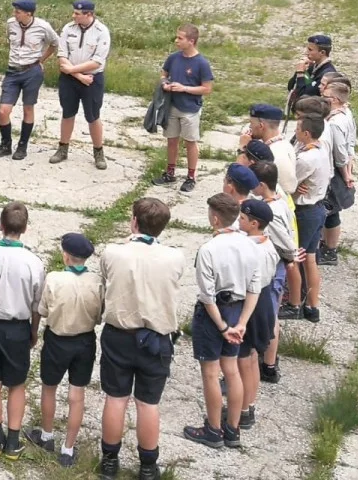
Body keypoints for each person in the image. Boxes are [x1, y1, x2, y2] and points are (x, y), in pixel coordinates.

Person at [98, 198, 185, 480]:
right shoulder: (175, 257)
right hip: (157, 338)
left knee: (116, 397)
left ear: (134, 221)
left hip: (120, 334)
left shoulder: (113, 253)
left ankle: (110, 460)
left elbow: (106, 277)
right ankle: (148, 465)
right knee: (148, 403)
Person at [182, 193, 261, 450]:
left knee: (210, 372)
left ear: (215, 218)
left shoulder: (208, 249)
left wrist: (222, 327)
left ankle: (213, 429)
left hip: (214, 314)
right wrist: (241, 323)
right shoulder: (251, 244)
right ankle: (233, 428)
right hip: (239, 310)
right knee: (232, 369)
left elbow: (206, 295)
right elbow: (254, 287)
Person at [26, 233, 103, 467]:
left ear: (66, 256)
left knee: (49, 388)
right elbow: (99, 316)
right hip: (85, 341)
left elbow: (43, 310)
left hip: (58, 340)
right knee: (76, 395)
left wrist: (33, 332)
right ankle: (68, 449)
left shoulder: (54, 278)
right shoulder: (97, 280)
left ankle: (47, 435)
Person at [0, 202, 46, 460]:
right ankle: (13, 441)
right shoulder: (34, 263)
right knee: (17, 384)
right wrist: (33, 331)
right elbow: (37, 304)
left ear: (0, 225)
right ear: (26, 228)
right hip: (18, 327)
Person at [251, 160, 302, 382]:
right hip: (278, 267)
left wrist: (290, 255)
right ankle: (269, 360)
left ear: (262, 185)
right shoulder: (280, 200)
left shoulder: (267, 212)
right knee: (271, 316)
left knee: (269, 317)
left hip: (273, 269)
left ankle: (268, 366)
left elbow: (284, 239)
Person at [234, 199, 280, 431]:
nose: (238, 221)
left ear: (253, 223)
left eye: (242, 218)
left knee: (243, 361)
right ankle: (249, 406)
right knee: (251, 359)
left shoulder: (252, 250)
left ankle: (241, 411)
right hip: (263, 302)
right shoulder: (266, 243)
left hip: (250, 305)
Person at [0, 0, 58, 161]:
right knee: (3, 111)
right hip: (13, 71)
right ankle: (6, 143)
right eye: (14, 11)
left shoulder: (42, 26)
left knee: (28, 108)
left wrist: (41, 60)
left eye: (18, 12)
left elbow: (55, 43)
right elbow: (11, 41)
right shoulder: (11, 24)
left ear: (28, 13)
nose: (14, 14)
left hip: (31, 71)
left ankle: (23, 145)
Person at [152, 24, 214, 192]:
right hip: (171, 106)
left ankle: (191, 177)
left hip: (190, 109)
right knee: (171, 140)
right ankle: (170, 172)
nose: (176, 41)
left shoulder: (202, 63)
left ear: (191, 41)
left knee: (190, 142)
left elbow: (207, 88)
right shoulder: (173, 58)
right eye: (177, 37)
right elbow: (164, 75)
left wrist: (184, 88)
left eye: (180, 38)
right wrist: (165, 84)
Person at [53, 0, 112, 170]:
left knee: (93, 116)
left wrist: (72, 71)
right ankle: (63, 148)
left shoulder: (101, 32)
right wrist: (78, 75)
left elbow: (97, 62)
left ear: (89, 15)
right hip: (71, 79)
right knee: (67, 113)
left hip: (92, 79)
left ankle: (98, 152)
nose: (74, 16)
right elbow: (62, 56)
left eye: (77, 14)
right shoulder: (68, 28)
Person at [287, 115, 330, 322]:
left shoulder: (306, 158)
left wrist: (294, 187)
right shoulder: (321, 149)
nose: (295, 131)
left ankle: (293, 304)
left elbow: (288, 182)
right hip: (318, 208)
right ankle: (313, 307)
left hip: (304, 211)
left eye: (297, 128)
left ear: (306, 133)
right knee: (310, 259)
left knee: (294, 257)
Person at [320, 81, 355, 265]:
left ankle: (329, 251)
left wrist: (346, 173)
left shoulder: (334, 123)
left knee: (330, 210)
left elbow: (339, 153)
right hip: (341, 168)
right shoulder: (346, 112)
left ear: (334, 100)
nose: (322, 99)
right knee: (331, 210)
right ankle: (327, 245)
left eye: (325, 97)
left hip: (334, 171)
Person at [240, 104, 297, 199]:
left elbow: (242, 178)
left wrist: (242, 148)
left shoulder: (274, 153)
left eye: (251, 124)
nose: (250, 127)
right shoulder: (285, 144)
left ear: (261, 126)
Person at [287, 34, 335, 107]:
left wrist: (300, 73)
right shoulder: (312, 67)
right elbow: (291, 87)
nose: (306, 52)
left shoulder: (327, 73)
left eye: (310, 50)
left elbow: (304, 96)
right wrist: (300, 71)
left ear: (322, 53)